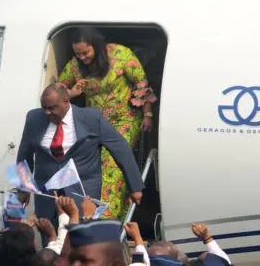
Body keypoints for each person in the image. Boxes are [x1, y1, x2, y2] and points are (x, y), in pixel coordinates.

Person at [17, 83, 143, 246]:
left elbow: (120, 148)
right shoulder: (34, 118)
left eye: (52, 108)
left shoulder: (91, 118)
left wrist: (135, 187)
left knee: (82, 239)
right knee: (50, 237)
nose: (47, 113)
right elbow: (24, 154)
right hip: (47, 192)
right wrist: (23, 188)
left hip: (82, 188)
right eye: (44, 108)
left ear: (66, 101)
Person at [57, 27, 157, 220]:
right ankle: (118, 218)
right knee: (95, 169)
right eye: (78, 54)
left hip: (124, 118)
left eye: (86, 53)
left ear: (96, 46)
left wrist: (148, 114)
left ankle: (104, 219)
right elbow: (58, 90)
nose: (83, 58)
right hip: (95, 123)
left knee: (111, 166)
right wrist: (73, 93)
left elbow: (141, 82)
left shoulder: (120, 54)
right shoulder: (76, 65)